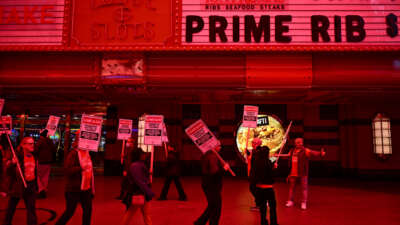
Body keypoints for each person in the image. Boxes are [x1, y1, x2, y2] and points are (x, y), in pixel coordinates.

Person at [55, 131, 95, 225]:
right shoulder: (73, 153)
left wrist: (92, 187)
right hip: (74, 188)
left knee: (88, 210)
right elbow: (67, 170)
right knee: (70, 211)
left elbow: (90, 171)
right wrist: (80, 168)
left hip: (86, 188)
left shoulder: (87, 153)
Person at [280, 137, 326, 210]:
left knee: (304, 188)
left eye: (300, 142)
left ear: (302, 143)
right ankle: (290, 201)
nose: (299, 143)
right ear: (295, 143)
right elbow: (287, 155)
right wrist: (278, 155)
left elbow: (313, 153)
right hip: (293, 172)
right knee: (292, 188)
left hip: (302, 172)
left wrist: (320, 153)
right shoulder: (292, 150)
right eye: (297, 142)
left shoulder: (305, 150)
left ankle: (303, 202)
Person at [3, 137, 38, 225]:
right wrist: (12, 163)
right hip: (18, 185)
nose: (33, 145)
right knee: (11, 207)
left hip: (31, 185)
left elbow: (35, 172)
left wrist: (36, 185)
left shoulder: (34, 156)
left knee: (31, 208)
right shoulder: (17, 156)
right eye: (30, 144)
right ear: (23, 145)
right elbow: (7, 171)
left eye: (33, 143)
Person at [194, 145, 230, 225]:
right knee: (216, 207)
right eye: (219, 145)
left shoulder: (208, 155)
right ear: (214, 146)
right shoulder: (212, 156)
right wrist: (224, 169)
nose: (220, 147)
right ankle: (207, 223)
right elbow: (214, 173)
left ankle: (200, 222)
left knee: (212, 206)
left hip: (208, 184)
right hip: (212, 185)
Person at [120, 148, 155, 225]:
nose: (144, 155)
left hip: (142, 193)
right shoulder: (136, 165)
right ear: (139, 155)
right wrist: (149, 192)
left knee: (146, 214)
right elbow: (139, 181)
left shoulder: (138, 164)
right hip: (138, 193)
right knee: (131, 213)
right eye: (142, 154)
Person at [250, 144, 278, 225]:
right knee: (272, 206)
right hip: (268, 188)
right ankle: (273, 223)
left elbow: (254, 176)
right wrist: (275, 168)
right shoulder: (268, 162)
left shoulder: (256, 162)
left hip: (259, 188)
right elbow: (272, 176)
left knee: (263, 207)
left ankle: (263, 222)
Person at [35, 129, 56, 199]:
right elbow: (54, 149)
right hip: (49, 161)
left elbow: (36, 150)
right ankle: (44, 189)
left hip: (41, 161)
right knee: (45, 177)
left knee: (38, 176)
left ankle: (41, 190)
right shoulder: (50, 141)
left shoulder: (40, 141)